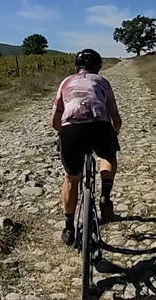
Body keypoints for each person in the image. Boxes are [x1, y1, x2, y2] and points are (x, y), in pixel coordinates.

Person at [50, 49, 123, 246]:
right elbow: (115, 117)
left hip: (72, 131)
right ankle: (105, 195)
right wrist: (113, 135)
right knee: (108, 156)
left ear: (76, 67)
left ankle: (69, 227)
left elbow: (55, 120)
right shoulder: (103, 82)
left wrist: (63, 133)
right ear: (98, 67)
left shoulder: (65, 82)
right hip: (100, 127)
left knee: (71, 179)